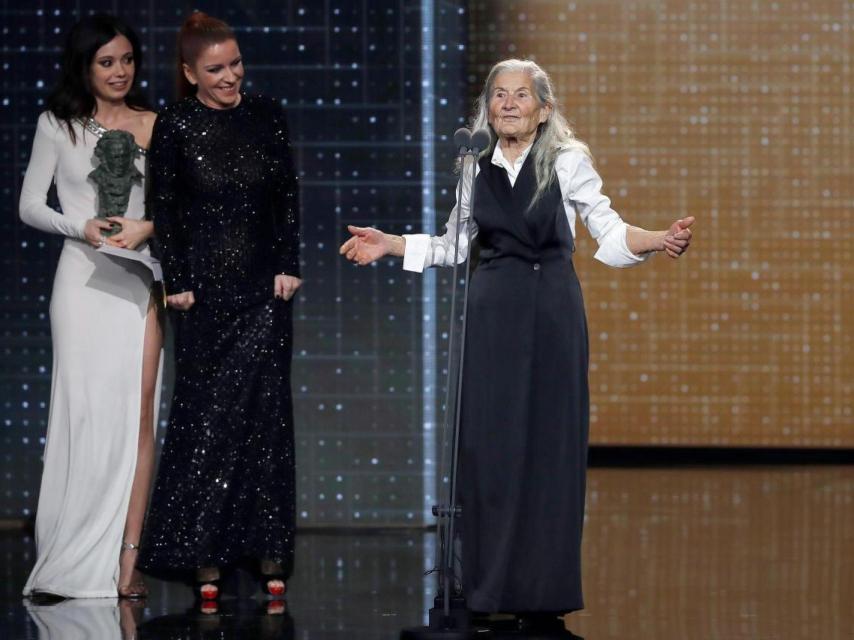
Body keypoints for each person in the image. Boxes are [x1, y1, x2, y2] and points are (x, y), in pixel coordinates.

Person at [340, 59, 693, 630]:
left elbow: (607, 228)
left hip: (551, 310)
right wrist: (391, 244)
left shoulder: (567, 161)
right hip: (493, 312)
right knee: (491, 448)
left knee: (549, 449)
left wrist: (656, 239)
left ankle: (542, 594)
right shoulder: (473, 166)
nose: (508, 104)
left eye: (521, 96)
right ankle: (487, 585)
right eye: (499, 95)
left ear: (543, 109)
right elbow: (456, 245)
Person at [138, 12, 301, 601]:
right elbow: (166, 205)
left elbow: (285, 195)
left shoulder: (266, 116)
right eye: (215, 69)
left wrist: (289, 264)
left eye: (234, 64)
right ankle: (204, 553)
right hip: (203, 295)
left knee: (265, 420)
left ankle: (269, 551)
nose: (229, 76)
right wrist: (176, 279)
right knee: (205, 423)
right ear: (190, 73)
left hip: (264, 293)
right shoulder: (176, 124)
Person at [19, 14, 161, 599]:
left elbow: (179, 207)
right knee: (83, 416)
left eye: (126, 59)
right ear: (85, 67)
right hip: (81, 286)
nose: (119, 71)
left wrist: (147, 226)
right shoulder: (57, 125)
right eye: (107, 62)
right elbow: (29, 205)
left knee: (137, 418)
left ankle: (125, 565)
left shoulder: (157, 123)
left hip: (139, 281)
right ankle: (70, 552)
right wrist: (80, 226)